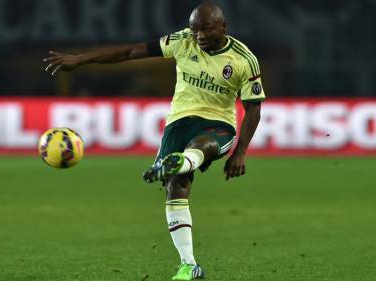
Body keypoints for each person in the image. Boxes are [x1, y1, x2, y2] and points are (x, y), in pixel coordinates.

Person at [44, 2, 265, 280]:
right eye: (195, 30)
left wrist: (240, 152)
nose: (199, 36)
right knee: (176, 184)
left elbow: (254, 107)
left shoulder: (244, 59)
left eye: (206, 29)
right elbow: (130, 51)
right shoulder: (182, 41)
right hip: (179, 122)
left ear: (224, 26)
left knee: (202, 148)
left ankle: (182, 161)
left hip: (217, 123)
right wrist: (81, 59)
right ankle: (189, 265)